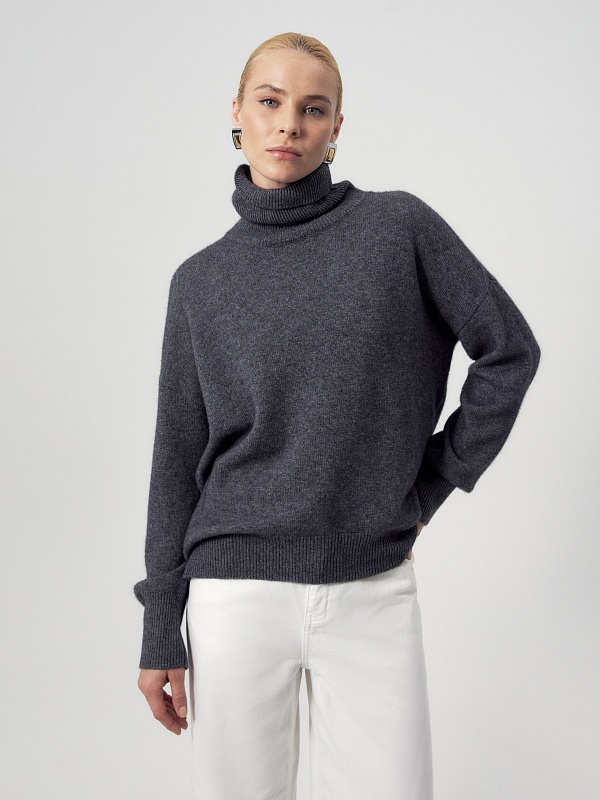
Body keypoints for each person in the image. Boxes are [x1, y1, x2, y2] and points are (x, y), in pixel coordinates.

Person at [134, 31, 540, 800]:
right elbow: (175, 460)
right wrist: (161, 625)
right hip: (233, 598)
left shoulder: (399, 230)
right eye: (270, 101)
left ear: (337, 127)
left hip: (371, 588)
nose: (290, 123)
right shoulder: (200, 282)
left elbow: (508, 350)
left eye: (313, 108)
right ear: (237, 112)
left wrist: (431, 485)